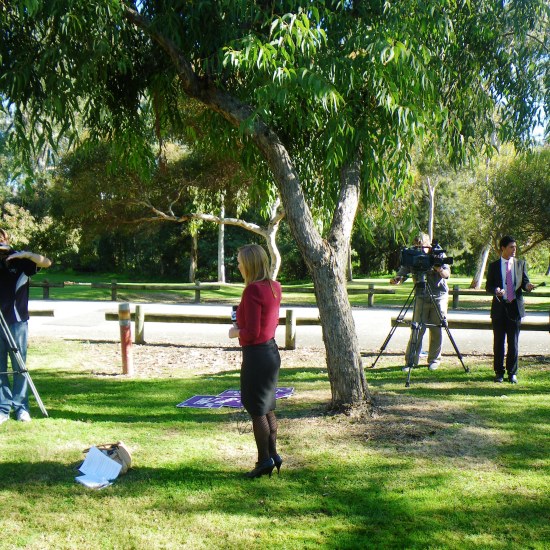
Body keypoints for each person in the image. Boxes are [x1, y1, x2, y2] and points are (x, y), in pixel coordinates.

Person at [228, 244, 282, 478]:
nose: (238, 266)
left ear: (249, 265)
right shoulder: (274, 287)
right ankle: (273, 455)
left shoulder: (252, 291)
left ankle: (263, 461)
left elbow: (251, 332)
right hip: (271, 352)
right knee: (267, 408)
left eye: (240, 262)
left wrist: (235, 332)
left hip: (257, 355)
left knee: (256, 409)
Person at [0, 228, 51, 425]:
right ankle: (3, 408)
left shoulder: (19, 259)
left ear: (7, 239)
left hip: (17, 320)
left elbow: (47, 262)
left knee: (19, 366)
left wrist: (26, 254)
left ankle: (21, 408)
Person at [390, 232, 450, 371]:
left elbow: (447, 274)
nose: (420, 249)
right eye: (417, 246)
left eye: (422, 246)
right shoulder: (412, 255)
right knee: (417, 328)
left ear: (428, 244)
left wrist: (438, 268)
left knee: (437, 328)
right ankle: (411, 361)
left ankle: (434, 360)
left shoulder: (438, 253)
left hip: (438, 295)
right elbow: (403, 273)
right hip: (420, 294)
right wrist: (397, 279)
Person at [485, 236, 534, 384]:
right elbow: (488, 286)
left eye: (515, 247)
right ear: (503, 248)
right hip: (499, 308)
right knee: (498, 342)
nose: (514, 250)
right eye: (511, 247)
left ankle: (512, 373)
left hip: (515, 308)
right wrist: (496, 290)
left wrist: (528, 286)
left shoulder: (520, 264)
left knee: (513, 343)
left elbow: (525, 282)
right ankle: (499, 373)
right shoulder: (494, 266)